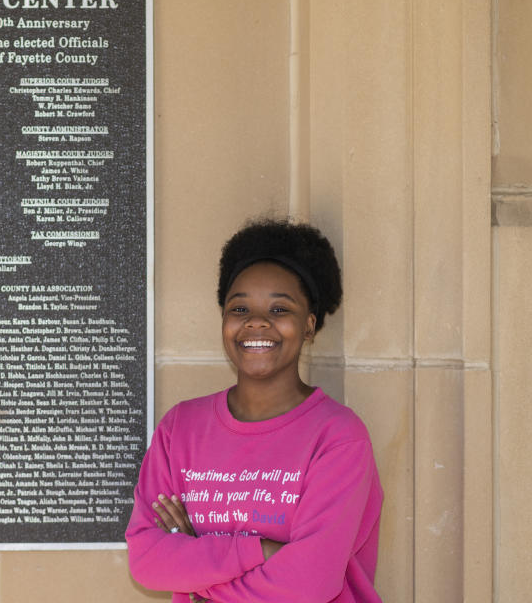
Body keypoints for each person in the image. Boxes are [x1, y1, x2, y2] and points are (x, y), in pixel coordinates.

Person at [125, 219, 383, 602]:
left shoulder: (338, 437)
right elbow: (147, 561)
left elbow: (308, 585)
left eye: (280, 308)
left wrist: (196, 563)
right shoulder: (181, 427)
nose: (257, 322)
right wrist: (259, 550)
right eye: (240, 307)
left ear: (309, 326)